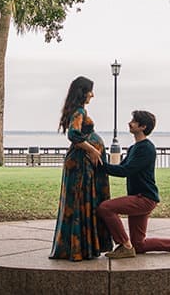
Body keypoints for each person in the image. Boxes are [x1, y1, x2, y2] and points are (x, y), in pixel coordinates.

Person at [98, 109, 170, 259]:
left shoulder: (147, 148)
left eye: (134, 121)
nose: (130, 123)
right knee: (139, 245)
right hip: (139, 197)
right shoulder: (134, 148)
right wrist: (103, 165)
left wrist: (100, 165)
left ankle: (125, 246)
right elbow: (121, 168)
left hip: (144, 199)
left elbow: (126, 171)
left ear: (143, 127)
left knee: (105, 208)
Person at [49, 75, 113, 260]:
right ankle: (79, 248)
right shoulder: (79, 112)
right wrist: (92, 149)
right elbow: (74, 134)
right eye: (90, 91)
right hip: (80, 164)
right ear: (82, 92)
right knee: (80, 202)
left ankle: (80, 247)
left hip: (81, 162)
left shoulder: (78, 110)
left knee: (81, 202)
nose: (92, 95)